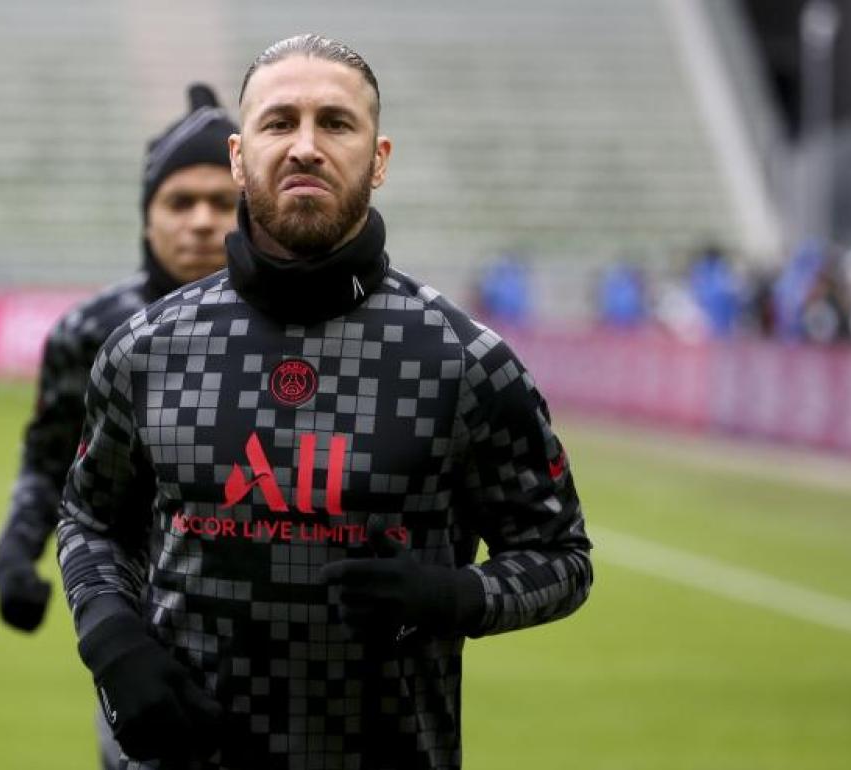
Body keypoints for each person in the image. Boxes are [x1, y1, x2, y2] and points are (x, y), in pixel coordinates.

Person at [57, 34, 593, 770]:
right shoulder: (147, 348)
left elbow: (560, 558)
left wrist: (455, 596)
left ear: (379, 159)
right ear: (240, 158)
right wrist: (112, 642)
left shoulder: (465, 362)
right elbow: (91, 518)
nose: (305, 146)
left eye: (335, 123)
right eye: (280, 123)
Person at [0, 83, 239, 770]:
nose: (200, 221)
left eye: (223, 203)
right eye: (179, 202)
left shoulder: (301, 333)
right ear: (147, 216)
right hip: (138, 636)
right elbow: (48, 461)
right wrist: (15, 553)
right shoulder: (92, 332)